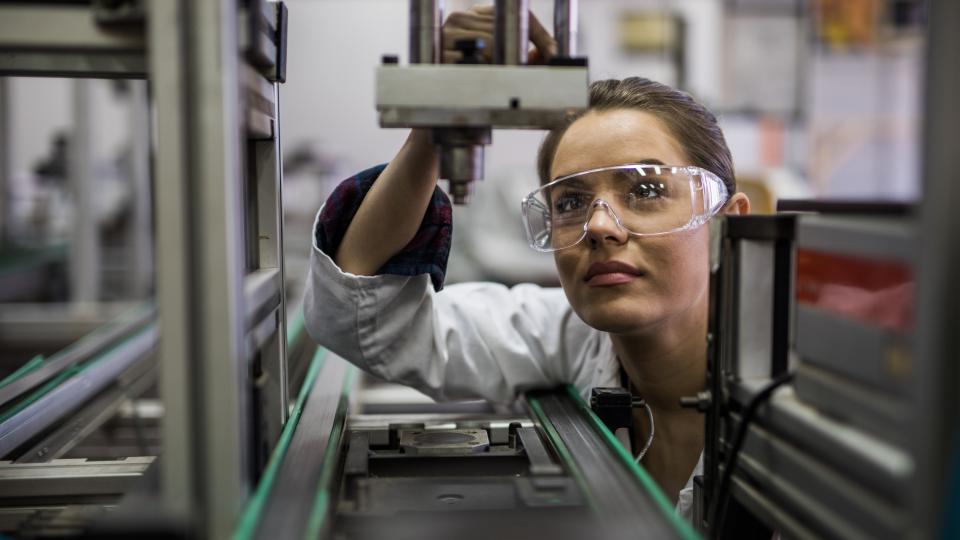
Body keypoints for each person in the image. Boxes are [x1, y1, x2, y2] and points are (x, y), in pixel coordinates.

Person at [303, 5, 749, 520]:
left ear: (727, 225)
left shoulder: (811, 395)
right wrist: (434, 125)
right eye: (570, 202)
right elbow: (364, 319)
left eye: (646, 190)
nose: (600, 226)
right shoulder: (570, 338)